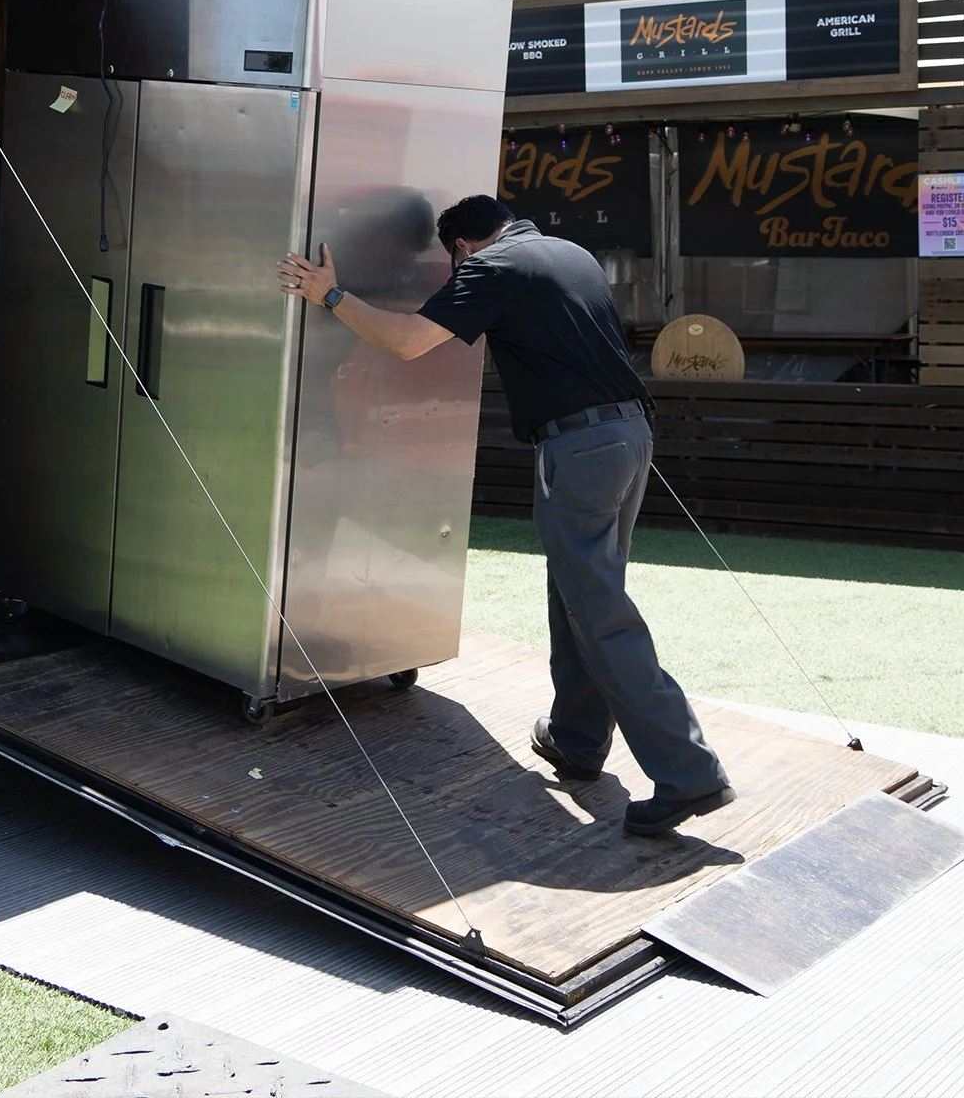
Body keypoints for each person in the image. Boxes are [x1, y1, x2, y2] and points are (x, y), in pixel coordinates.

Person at [278, 195, 734, 837]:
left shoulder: (491, 267)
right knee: (577, 594)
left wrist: (331, 296)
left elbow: (409, 342)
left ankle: (690, 772)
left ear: (463, 247)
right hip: (630, 437)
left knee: (598, 611)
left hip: (577, 447)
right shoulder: (570, 255)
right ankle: (577, 742)